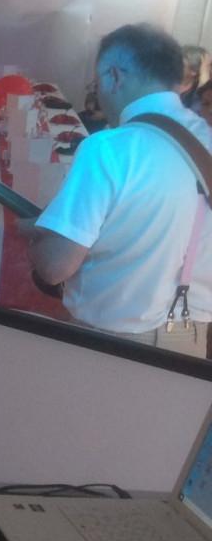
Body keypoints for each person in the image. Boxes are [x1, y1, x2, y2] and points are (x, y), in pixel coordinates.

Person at [19, 24, 211, 356]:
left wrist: (37, 235)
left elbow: (54, 268)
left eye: (96, 84)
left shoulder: (108, 148)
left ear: (114, 77)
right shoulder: (206, 138)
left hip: (111, 341)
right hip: (191, 337)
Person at [179, 44, 209, 108]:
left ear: (194, 71)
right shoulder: (165, 83)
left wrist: (204, 84)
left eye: (180, 63)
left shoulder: (197, 93)